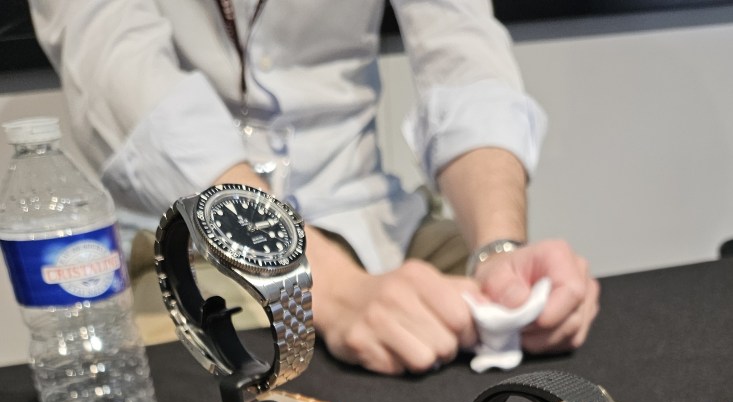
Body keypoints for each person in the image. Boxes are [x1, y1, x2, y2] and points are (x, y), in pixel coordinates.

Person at [29, 0, 599, 376]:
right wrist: (325, 289)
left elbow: (461, 48)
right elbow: (117, 69)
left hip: (375, 216)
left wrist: (499, 251)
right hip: (194, 237)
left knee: (544, 343)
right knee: (212, 395)